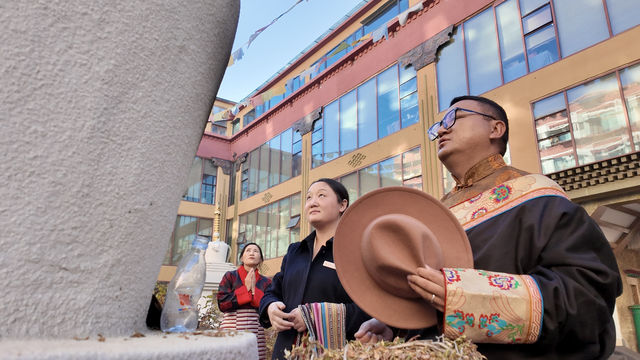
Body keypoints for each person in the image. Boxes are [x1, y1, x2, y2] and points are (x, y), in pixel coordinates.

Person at [356, 95, 622, 359]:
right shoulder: (436, 213)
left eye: (454, 118)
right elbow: (431, 303)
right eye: (438, 125)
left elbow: (588, 296)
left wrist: (466, 298)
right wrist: (396, 325)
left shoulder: (539, 196)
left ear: (496, 129)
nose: (442, 129)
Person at [259, 178, 371, 359]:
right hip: (286, 351)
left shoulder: (356, 251)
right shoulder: (295, 251)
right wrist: (271, 308)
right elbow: (272, 292)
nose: (313, 202)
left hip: (334, 353)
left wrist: (316, 317)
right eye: (309, 198)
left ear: (342, 205)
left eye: (321, 195)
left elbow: (370, 310)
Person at [217, 242, 271, 360]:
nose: (252, 253)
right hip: (230, 326)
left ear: (261, 259)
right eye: (248, 250)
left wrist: (253, 293)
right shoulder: (230, 276)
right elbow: (222, 303)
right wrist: (246, 289)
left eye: (256, 251)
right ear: (241, 257)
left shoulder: (266, 282)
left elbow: (268, 308)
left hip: (255, 329)